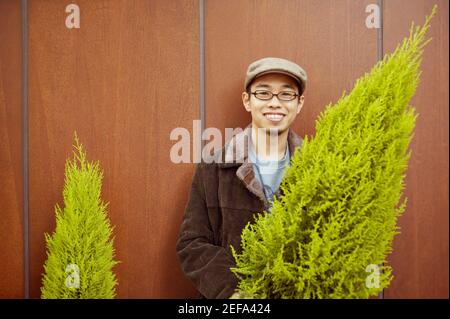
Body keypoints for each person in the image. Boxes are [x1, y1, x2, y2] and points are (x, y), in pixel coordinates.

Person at [176, 57, 307, 299]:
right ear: (247, 101)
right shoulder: (213, 167)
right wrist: (235, 292)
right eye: (264, 93)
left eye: (286, 94)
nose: (275, 103)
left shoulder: (317, 168)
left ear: (299, 103)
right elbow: (192, 244)